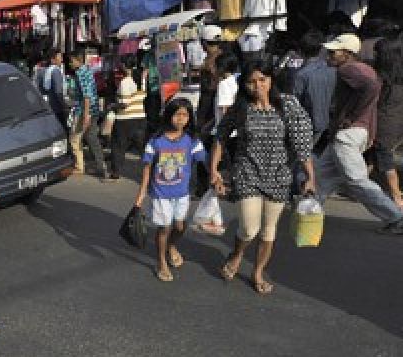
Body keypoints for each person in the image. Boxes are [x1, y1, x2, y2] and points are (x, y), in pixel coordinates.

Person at [212, 57, 317, 294]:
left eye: (263, 79)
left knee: (269, 231)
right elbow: (220, 136)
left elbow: (302, 144)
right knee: (249, 228)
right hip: (247, 173)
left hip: (279, 176)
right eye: (251, 82)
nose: (257, 86)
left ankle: (258, 271)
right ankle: (237, 253)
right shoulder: (241, 107)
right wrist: (213, 171)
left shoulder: (288, 105)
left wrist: (310, 176)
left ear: (271, 80)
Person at [313, 34, 403, 233]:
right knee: (319, 176)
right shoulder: (365, 69)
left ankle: (396, 217)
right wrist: (368, 131)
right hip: (352, 133)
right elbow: (371, 104)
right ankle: (310, 212)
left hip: (347, 136)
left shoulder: (348, 69)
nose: (329, 55)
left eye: (333, 52)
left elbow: (372, 88)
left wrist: (351, 117)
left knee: (357, 182)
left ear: (347, 54)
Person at [135, 98, 207, 281]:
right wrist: (141, 194)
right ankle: (161, 261)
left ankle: (171, 246)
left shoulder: (192, 140)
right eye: (177, 114)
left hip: (182, 193)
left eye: (185, 115)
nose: (181, 119)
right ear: (169, 115)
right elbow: (147, 168)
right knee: (164, 228)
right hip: (160, 194)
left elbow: (204, 161)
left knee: (180, 226)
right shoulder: (156, 141)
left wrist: (216, 177)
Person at [191, 54, 240, 236]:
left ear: (220, 68)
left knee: (214, 164)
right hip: (227, 131)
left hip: (224, 133)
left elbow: (225, 109)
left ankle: (216, 191)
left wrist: (221, 129)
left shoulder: (224, 84)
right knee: (225, 164)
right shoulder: (234, 82)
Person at [371, 37, 403, 211]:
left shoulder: (381, 78)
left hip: (383, 124)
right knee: (372, 158)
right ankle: (362, 189)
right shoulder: (400, 76)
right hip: (397, 124)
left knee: (386, 163)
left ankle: (397, 198)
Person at [292, 30, 337, 148]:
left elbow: (294, 103)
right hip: (329, 123)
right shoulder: (332, 69)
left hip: (310, 124)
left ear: (300, 51)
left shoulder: (301, 75)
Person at [68, 53, 107, 177]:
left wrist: (86, 115)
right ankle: (100, 165)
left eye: (71, 61)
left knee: (75, 138)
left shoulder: (81, 73)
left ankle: (81, 166)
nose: (70, 64)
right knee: (91, 137)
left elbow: (86, 96)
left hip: (85, 110)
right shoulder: (88, 70)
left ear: (77, 60)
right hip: (92, 109)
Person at [108, 65, 147, 180]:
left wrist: (112, 106)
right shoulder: (141, 79)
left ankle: (115, 172)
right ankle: (153, 169)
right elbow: (144, 95)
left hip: (125, 119)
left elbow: (124, 103)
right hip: (140, 117)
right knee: (142, 148)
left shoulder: (125, 82)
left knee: (118, 146)